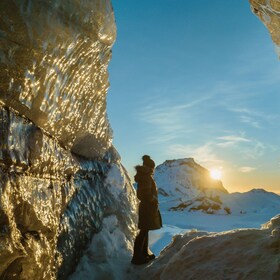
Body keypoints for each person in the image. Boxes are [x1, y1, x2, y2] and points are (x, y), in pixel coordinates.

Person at [131, 155, 162, 265]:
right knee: (143, 231)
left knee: (145, 230)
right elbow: (145, 193)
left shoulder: (145, 176)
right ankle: (137, 257)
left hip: (147, 207)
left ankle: (144, 254)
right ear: (148, 167)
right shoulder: (145, 177)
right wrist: (153, 200)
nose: (153, 169)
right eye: (152, 167)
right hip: (147, 207)